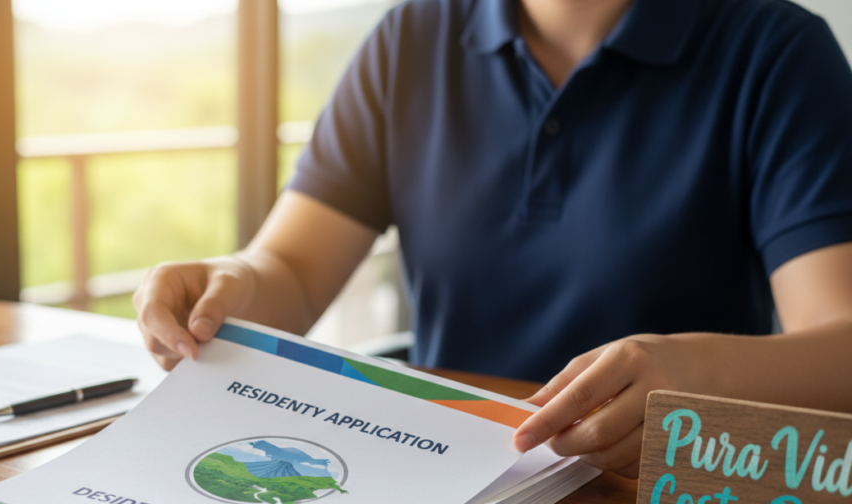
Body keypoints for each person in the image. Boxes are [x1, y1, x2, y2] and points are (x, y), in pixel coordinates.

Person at [133, 0, 852, 478]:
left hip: (653, 496)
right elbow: (288, 268)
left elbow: (840, 344)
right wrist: (229, 282)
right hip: (438, 483)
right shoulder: (411, 39)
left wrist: (697, 379)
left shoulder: (777, 52)